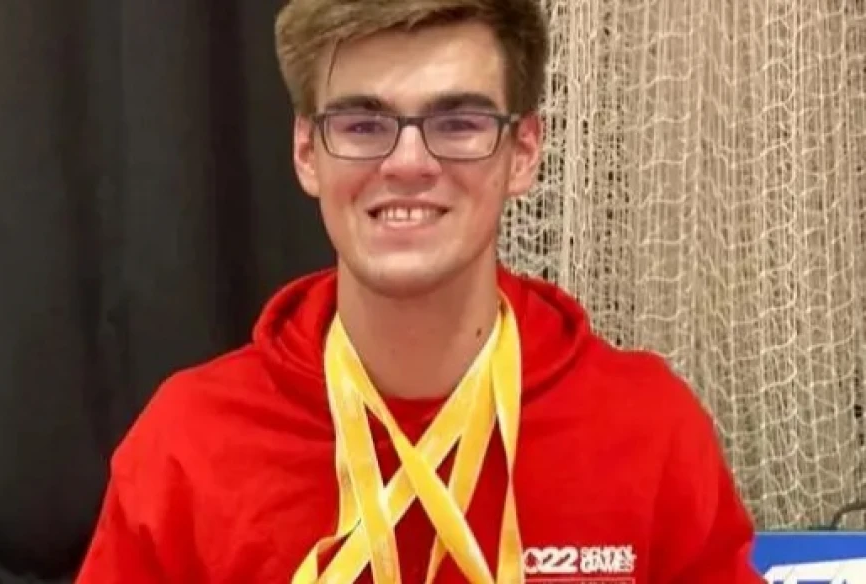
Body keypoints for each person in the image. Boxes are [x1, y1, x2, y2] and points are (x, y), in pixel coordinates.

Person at [75, 0, 766, 582]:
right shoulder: (187, 447)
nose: (408, 162)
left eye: (458, 123)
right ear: (307, 152)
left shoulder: (648, 430)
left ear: (523, 152)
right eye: (362, 124)